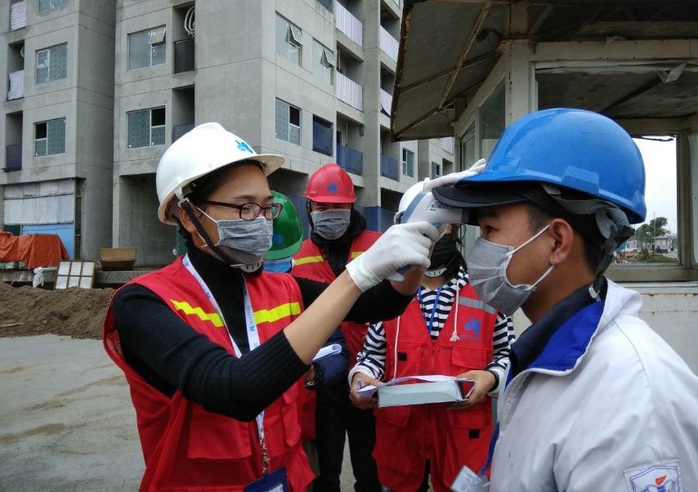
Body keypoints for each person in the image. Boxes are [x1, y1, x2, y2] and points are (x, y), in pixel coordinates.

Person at [102, 122, 439, 491]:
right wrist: (355, 274)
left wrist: (423, 240)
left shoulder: (281, 287)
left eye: (266, 208)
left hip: (287, 479)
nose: (261, 222)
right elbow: (233, 389)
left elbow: (381, 304)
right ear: (188, 215)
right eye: (245, 208)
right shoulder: (143, 303)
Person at [431, 108, 698, 491]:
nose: (480, 248)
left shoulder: (635, 405)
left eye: (490, 228)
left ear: (557, 241)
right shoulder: (547, 357)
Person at [348, 229, 514, 492]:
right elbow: (371, 356)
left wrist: (490, 378)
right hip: (401, 438)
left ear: (452, 231)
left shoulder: (487, 295)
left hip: (462, 442)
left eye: (440, 227)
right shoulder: (387, 295)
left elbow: (508, 357)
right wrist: (360, 377)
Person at [292, 163, 382, 492]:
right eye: (322, 206)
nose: (330, 212)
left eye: (338, 206)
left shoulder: (377, 245)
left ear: (350, 206)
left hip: (369, 376)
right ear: (310, 208)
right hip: (320, 382)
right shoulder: (297, 255)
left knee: (370, 469)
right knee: (322, 475)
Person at [263, 190, 349, 480]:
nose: (274, 269)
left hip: (304, 425)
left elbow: (338, 348)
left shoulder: (302, 293)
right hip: (249, 436)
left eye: (283, 259)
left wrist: (313, 374)